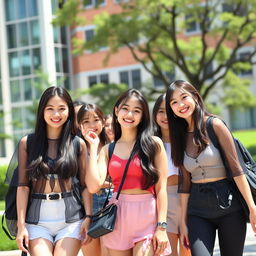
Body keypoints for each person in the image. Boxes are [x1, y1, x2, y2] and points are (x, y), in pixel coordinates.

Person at [165, 80, 256, 256]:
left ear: (195, 97)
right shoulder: (179, 136)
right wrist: (183, 222)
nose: (180, 105)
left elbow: (237, 169)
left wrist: (253, 209)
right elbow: (184, 183)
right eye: (174, 102)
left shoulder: (215, 125)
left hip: (229, 205)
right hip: (197, 209)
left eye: (184, 97)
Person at [82, 89, 171, 256]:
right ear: (116, 111)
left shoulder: (154, 144)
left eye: (136, 110)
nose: (130, 114)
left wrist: (162, 227)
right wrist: (93, 148)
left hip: (147, 217)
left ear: (142, 116)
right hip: (118, 218)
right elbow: (94, 187)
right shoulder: (108, 150)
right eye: (125, 108)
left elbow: (162, 189)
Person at [16, 86, 92, 256]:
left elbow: (85, 186)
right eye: (50, 109)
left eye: (61, 109)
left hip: (72, 220)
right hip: (37, 222)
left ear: (69, 111)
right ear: (42, 111)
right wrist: (21, 227)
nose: (56, 114)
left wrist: (88, 217)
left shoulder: (77, 143)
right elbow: (23, 187)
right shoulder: (27, 143)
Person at [152, 94, 191, 256]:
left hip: (188, 199)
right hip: (161, 202)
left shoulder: (186, 139)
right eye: (161, 111)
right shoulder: (150, 142)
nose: (165, 116)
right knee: (167, 252)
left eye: (169, 111)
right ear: (154, 114)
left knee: (187, 250)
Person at [77, 103, 112, 256]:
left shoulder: (111, 147)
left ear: (103, 121)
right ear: (79, 125)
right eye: (86, 121)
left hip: (109, 205)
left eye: (96, 120)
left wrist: (99, 184)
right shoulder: (77, 148)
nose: (92, 125)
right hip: (85, 207)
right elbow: (84, 184)